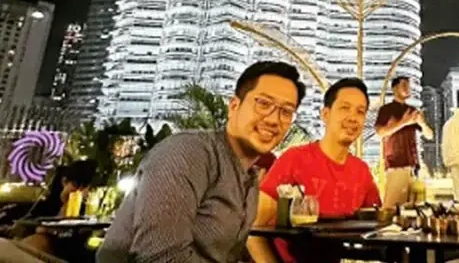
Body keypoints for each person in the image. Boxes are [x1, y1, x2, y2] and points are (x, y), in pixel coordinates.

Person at [98, 61, 304, 263]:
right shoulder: (189, 152)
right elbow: (160, 255)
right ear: (234, 106)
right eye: (264, 104)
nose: (273, 120)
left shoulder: (249, 178)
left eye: (286, 111)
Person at [250, 78, 380, 263]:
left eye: (360, 111)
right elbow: (253, 230)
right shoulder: (294, 160)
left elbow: (381, 222)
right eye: (344, 108)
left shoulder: (361, 171)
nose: (353, 117)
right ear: (325, 114)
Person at [374, 76, 433, 207]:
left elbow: (429, 135)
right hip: (396, 165)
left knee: (415, 209)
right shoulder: (387, 110)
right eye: (404, 85)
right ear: (394, 88)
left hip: (413, 167)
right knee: (393, 207)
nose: (408, 88)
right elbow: (381, 132)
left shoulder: (412, 110)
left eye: (409, 86)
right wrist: (403, 122)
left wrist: (422, 123)